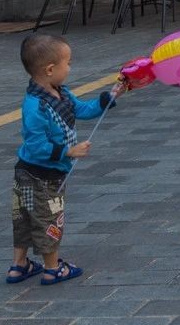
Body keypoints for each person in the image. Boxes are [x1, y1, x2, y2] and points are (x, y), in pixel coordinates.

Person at [9, 34, 123, 286]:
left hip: (38, 173)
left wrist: (110, 96)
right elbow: (36, 146)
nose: (70, 68)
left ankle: (20, 265)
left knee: (25, 218)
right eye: (67, 63)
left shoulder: (61, 93)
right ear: (50, 69)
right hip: (40, 176)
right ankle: (52, 269)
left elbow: (83, 110)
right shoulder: (35, 106)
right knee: (47, 219)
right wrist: (68, 152)